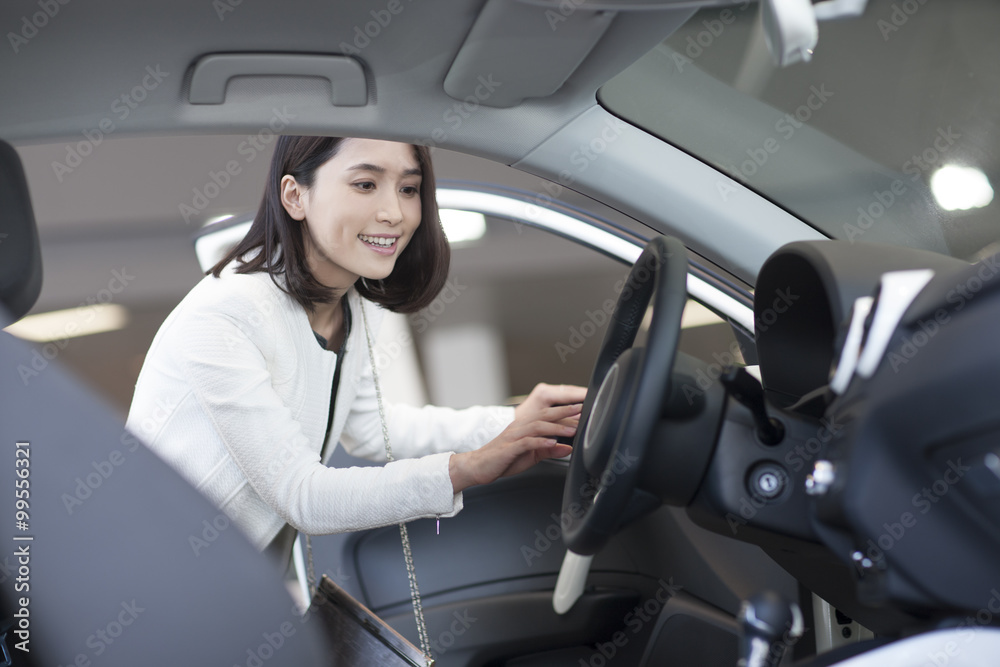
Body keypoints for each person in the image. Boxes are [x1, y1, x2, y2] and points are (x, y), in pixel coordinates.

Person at [126, 135, 585, 577]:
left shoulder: (355, 303)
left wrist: (516, 424)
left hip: (239, 583)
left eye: (408, 189)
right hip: (149, 588)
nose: (394, 213)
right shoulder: (226, 316)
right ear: (294, 196)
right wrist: (466, 468)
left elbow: (371, 430)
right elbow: (303, 495)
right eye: (365, 184)